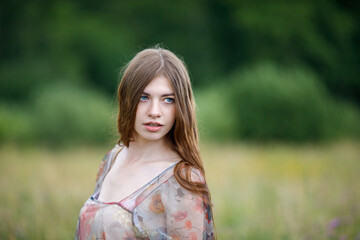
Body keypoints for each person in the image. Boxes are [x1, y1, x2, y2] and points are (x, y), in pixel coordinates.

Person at [75, 46, 215, 240]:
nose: (154, 111)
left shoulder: (182, 180)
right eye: (143, 97)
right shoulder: (113, 158)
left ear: (181, 106)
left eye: (168, 100)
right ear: (127, 99)